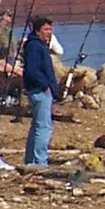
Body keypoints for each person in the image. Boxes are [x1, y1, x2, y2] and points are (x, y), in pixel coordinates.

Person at [20, 16, 60, 166]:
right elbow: (32, 70)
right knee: (43, 127)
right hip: (39, 91)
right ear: (37, 31)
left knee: (36, 125)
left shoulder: (36, 45)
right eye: (46, 29)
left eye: (50, 29)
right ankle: (40, 161)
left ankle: (30, 159)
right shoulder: (35, 47)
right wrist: (46, 86)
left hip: (38, 90)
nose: (49, 32)